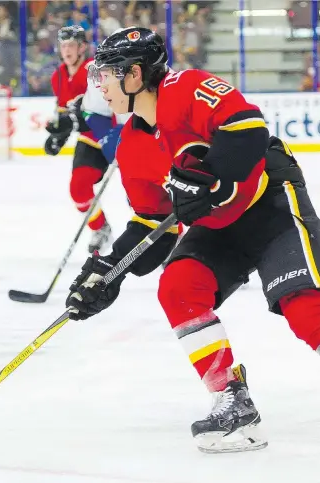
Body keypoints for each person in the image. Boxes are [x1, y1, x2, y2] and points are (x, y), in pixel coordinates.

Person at [65, 27, 320, 453]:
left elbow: (249, 128)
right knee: (178, 287)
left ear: (134, 75)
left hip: (269, 202)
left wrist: (215, 177)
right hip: (218, 227)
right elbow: (152, 223)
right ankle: (233, 402)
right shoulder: (130, 146)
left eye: (107, 74)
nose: (100, 86)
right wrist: (111, 270)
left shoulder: (186, 87)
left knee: (305, 310)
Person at [44, 25, 114, 253]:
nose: (67, 50)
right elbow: (64, 111)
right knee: (79, 188)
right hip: (89, 138)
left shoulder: (94, 70)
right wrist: (59, 136)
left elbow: (103, 106)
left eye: (71, 45)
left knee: (142, 193)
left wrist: (71, 122)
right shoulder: (58, 76)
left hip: (114, 135)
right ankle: (100, 226)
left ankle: (173, 235)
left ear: (82, 47)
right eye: (63, 45)